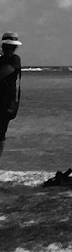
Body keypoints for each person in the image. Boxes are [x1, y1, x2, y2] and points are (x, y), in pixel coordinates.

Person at [0, 33, 22, 162]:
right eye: (8, 47)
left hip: (7, 102)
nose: (10, 50)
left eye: (12, 48)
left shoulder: (15, 59)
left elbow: (4, 72)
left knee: (0, 133)